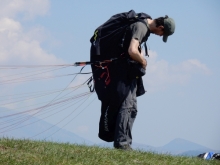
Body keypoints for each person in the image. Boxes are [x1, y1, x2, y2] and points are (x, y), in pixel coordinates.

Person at [90, 12, 175, 150]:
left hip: (125, 71)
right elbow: (132, 50)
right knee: (127, 106)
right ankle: (122, 144)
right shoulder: (141, 27)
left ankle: (125, 142)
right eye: (162, 34)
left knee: (132, 108)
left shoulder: (143, 23)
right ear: (161, 27)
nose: (160, 36)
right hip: (122, 72)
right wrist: (143, 61)